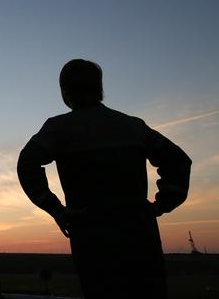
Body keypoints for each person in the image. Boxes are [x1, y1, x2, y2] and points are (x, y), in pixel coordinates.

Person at [17, 59, 191, 298]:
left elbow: (27, 162)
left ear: (65, 91)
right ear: (99, 89)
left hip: (91, 235)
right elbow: (178, 160)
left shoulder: (58, 129)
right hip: (140, 234)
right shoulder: (133, 126)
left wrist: (56, 209)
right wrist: (162, 205)